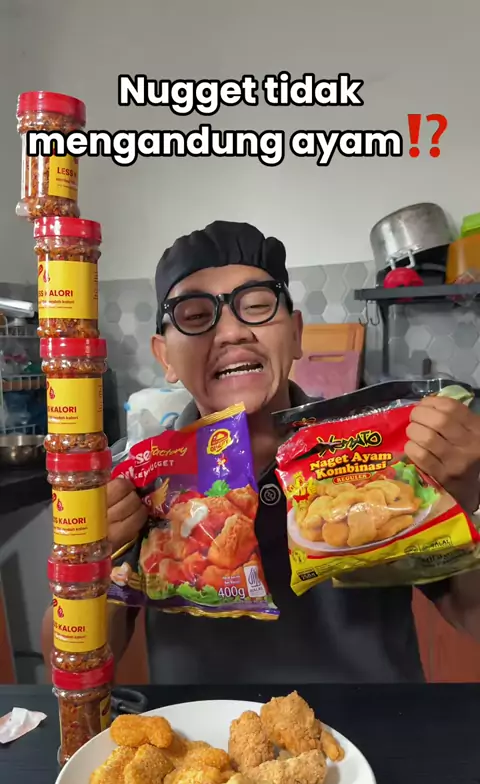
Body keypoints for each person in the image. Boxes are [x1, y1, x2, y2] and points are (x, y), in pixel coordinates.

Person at [42, 221, 480, 683]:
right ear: (165, 355)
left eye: (256, 306)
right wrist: (87, 560)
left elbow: (471, 614)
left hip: (373, 728)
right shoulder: (139, 480)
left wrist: (467, 501)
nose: (232, 333)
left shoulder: (377, 454)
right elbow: (67, 664)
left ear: (295, 334)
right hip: (202, 730)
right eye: (195, 316)